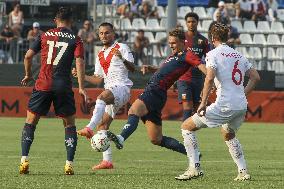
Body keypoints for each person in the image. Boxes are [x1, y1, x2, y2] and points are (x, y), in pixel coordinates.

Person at [175, 23, 260, 181]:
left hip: (225, 105)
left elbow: (209, 78)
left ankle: (194, 168)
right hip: (241, 105)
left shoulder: (212, 54)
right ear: (226, 37)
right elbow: (255, 77)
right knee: (228, 133)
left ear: (212, 38)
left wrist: (202, 103)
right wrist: (242, 93)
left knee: (186, 127)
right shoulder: (238, 55)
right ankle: (243, 171)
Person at [107, 28, 206, 158]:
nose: (171, 45)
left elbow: (202, 67)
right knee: (156, 139)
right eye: (170, 43)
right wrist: (151, 68)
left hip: (155, 90)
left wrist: (211, 81)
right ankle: (193, 153)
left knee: (133, 111)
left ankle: (121, 138)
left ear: (183, 42)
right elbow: (165, 70)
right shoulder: (173, 56)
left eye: (174, 43)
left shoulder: (188, 55)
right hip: (158, 94)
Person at [19, 7, 87, 175]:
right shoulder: (76, 39)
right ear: (71, 21)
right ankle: (69, 164)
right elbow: (79, 62)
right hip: (63, 86)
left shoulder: (43, 35)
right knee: (69, 124)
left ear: (56, 20)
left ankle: (24, 160)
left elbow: (27, 56)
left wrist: (28, 75)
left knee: (30, 122)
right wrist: (81, 87)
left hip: (43, 84)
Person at [76, 22, 135, 170]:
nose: (104, 36)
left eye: (107, 33)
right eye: (101, 33)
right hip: (111, 90)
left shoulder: (122, 47)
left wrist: (122, 58)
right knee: (103, 125)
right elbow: (97, 79)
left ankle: (89, 127)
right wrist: (82, 75)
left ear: (113, 34)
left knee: (101, 97)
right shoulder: (100, 54)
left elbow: (133, 68)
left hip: (122, 87)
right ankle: (107, 161)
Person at [177, 12, 209, 122]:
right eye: (189, 22)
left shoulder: (203, 41)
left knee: (197, 109)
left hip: (198, 79)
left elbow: (209, 59)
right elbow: (175, 58)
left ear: (197, 23)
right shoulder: (181, 39)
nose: (191, 24)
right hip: (184, 78)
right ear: (186, 23)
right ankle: (185, 133)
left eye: (193, 22)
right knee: (187, 108)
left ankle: (191, 135)